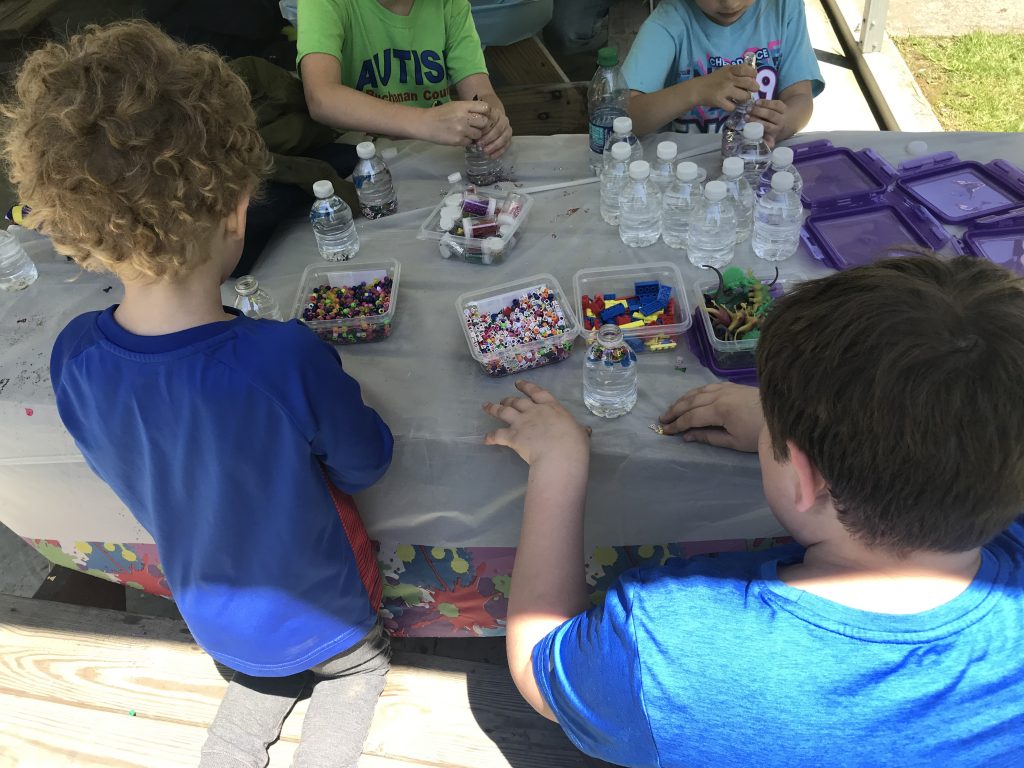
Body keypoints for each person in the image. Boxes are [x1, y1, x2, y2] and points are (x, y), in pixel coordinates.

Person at [1, 22, 394, 768]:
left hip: (214, 622)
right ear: (238, 209)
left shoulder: (74, 356)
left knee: (252, 704)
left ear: (77, 235)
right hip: (326, 618)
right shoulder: (284, 358)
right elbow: (367, 463)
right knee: (358, 674)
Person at [483, 255, 1024, 766]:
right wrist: (787, 430)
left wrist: (558, 466)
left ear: (806, 477)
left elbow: (539, 664)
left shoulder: (666, 640)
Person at [297, 0, 513, 157]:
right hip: (358, 161)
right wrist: (426, 121)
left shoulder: (451, 5)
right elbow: (321, 97)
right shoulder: (323, 3)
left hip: (435, 157)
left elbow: (481, 93)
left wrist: (493, 121)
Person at [622, 0, 824, 144]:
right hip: (686, 168)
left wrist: (784, 123)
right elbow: (626, 117)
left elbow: (800, 97)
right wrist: (695, 91)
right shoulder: (669, 20)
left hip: (754, 162)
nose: (730, 3)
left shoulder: (783, 7)